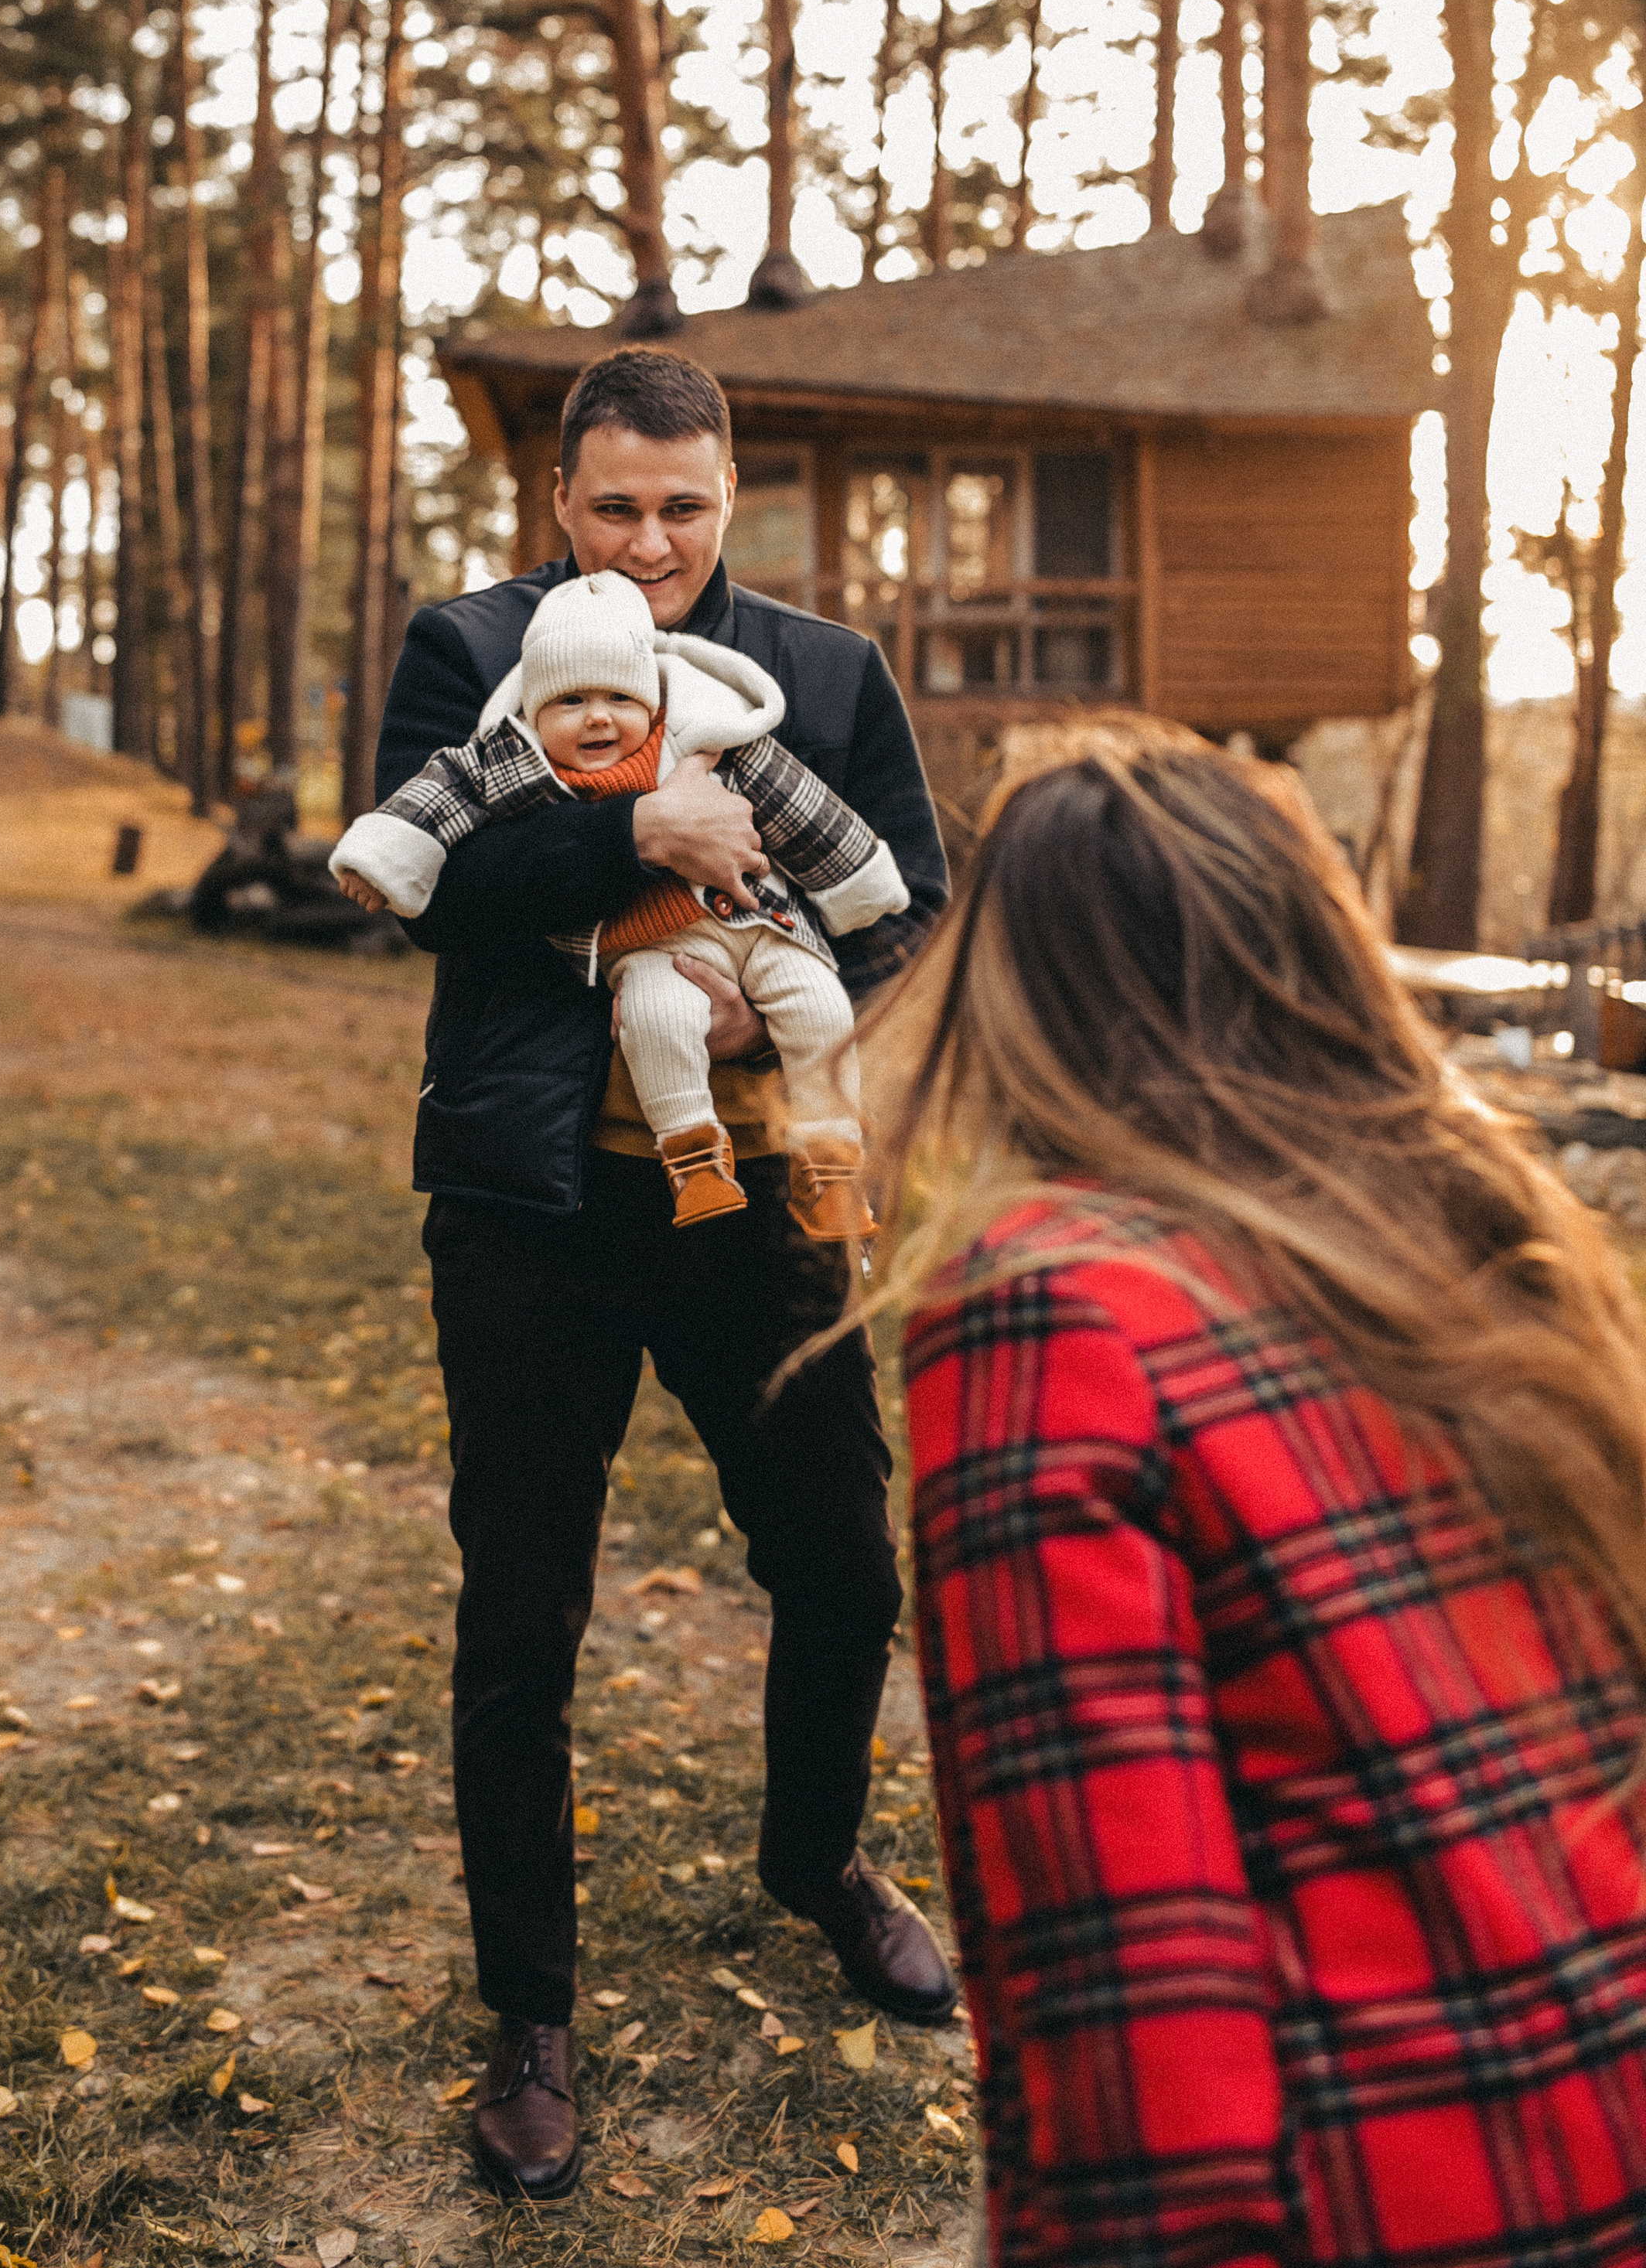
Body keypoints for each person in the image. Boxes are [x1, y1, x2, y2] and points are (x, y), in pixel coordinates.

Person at [881, 728, 1646, 2268]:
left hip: (1392, 2197)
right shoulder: (1477, 1242)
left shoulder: (1048, 1311)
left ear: (1014, 993)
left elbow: (1121, 2004)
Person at [373, 345, 958, 2199]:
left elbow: (906, 907)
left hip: (759, 1204)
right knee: (521, 1608)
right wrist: (633, 832)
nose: (649, 540)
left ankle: (815, 1859)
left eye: (681, 507)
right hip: (529, 1206)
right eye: (613, 506)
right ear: (559, 504)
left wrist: (760, 981)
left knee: (843, 1562)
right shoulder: (467, 653)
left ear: (728, 499)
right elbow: (422, 880)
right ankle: (530, 2015)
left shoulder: (826, 673)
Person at [330, 564, 910, 1233]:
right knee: (657, 1021)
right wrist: (382, 858)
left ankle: (832, 1166)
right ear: (532, 710)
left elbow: (802, 812)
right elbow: (437, 801)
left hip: (761, 923)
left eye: (618, 698)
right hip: (648, 951)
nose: (598, 717)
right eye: (570, 702)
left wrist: (862, 885)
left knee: (819, 1007)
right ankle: (693, 1163)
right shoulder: (512, 760)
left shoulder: (709, 736)